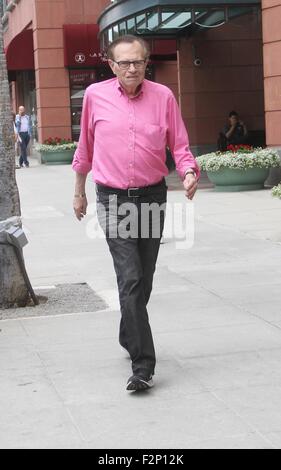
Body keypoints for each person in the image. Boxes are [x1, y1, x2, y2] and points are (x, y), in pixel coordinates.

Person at [72, 35, 200, 392]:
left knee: (143, 279)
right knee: (129, 278)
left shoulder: (163, 97)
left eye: (138, 62)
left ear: (147, 63)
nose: (132, 68)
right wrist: (79, 191)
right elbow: (86, 147)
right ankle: (143, 365)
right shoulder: (95, 96)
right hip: (113, 199)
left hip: (151, 197)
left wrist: (188, 171)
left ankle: (128, 331)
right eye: (124, 62)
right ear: (111, 65)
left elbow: (180, 145)